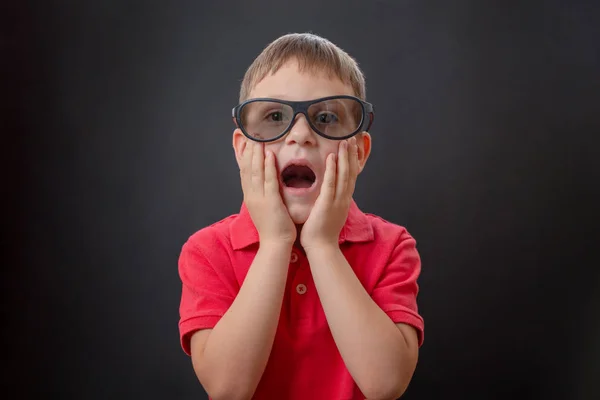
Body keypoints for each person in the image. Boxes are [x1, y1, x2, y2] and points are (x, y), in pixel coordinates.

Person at [177, 32, 424, 400]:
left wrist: (323, 245)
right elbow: (228, 389)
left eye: (325, 117)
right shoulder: (208, 251)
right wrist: (276, 242)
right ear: (243, 151)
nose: (301, 134)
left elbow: (386, 383)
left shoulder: (391, 247)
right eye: (275, 116)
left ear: (358, 152)